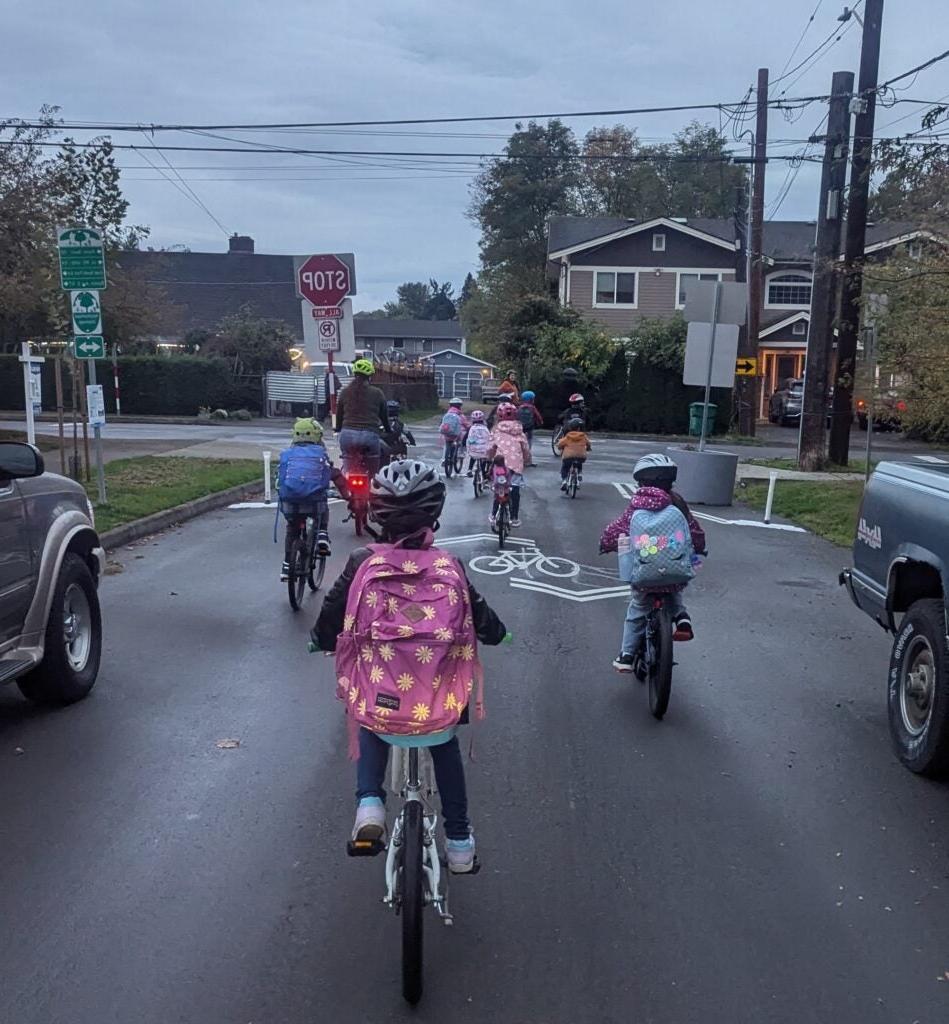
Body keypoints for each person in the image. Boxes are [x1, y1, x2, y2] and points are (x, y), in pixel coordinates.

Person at [311, 460, 507, 873]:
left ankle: (369, 807)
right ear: (434, 514)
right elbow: (478, 613)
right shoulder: (448, 565)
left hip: (383, 690)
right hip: (437, 697)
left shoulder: (363, 561)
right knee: (445, 745)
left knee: (371, 721)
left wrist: (320, 639)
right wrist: (497, 633)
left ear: (379, 516)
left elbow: (334, 609)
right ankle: (458, 844)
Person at [599, 454, 707, 674]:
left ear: (641, 482)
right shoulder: (677, 504)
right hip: (675, 572)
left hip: (644, 575)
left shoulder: (636, 507)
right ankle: (682, 618)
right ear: (670, 483)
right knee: (675, 590)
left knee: (637, 609)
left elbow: (616, 531)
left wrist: (605, 544)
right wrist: (699, 547)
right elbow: (693, 531)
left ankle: (627, 655)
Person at [277, 418, 348, 579]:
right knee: (322, 505)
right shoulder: (319, 454)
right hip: (314, 503)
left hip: (290, 503)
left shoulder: (287, 455)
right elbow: (333, 474)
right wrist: (346, 495)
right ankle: (322, 533)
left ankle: (287, 566)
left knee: (292, 529)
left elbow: (279, 480)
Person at [335, 359, 388, 476]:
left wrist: (338, 428)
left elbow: (339, 414)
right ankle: (372, 481)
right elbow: (384, 415)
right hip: (369, 436)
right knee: (374, 471)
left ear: (354, 375)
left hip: (347, 435)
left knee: (347, 467)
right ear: (369, 377)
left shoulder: (345, 392)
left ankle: (347, 482)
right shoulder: (377, 393)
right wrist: (388, 430)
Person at [485, 402, 530, 528]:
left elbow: (490, 448)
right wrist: (526, 461)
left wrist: (488, 457)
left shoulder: (496, 430)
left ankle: (494, 514)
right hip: (516, 465)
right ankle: (514, 517)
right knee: (515, 489)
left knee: (499, 488)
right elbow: (525, 449)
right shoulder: (519, 431)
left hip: (500, 464)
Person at [556, 417, 591, 491]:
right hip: (581, 456)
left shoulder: (568, 436)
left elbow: (560, 444)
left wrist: (559, 447)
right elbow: (588, 443)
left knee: (565, 468)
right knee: (579, 463)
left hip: (568, 457)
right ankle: (579, 474)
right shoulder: (583, 436)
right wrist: (588, 448)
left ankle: (564, 481)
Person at [439, 397, 467, 467]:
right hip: (456, 435)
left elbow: (442, 424)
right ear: (460, 406)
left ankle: (444, 459)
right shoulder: (460, 415)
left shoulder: (446, 415)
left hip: (447, 435)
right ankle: (459, 454)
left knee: (446, 445)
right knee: (461, 442)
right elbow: (466, 424)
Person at [464, 409, 492, 476]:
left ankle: (469, 469)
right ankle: (483, 474)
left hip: (474, 449)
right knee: (484, 458)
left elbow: (466, 438)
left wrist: (463, 444)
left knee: (473, 456)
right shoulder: (486, 428)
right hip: (484, 449)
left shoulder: (471, 428)